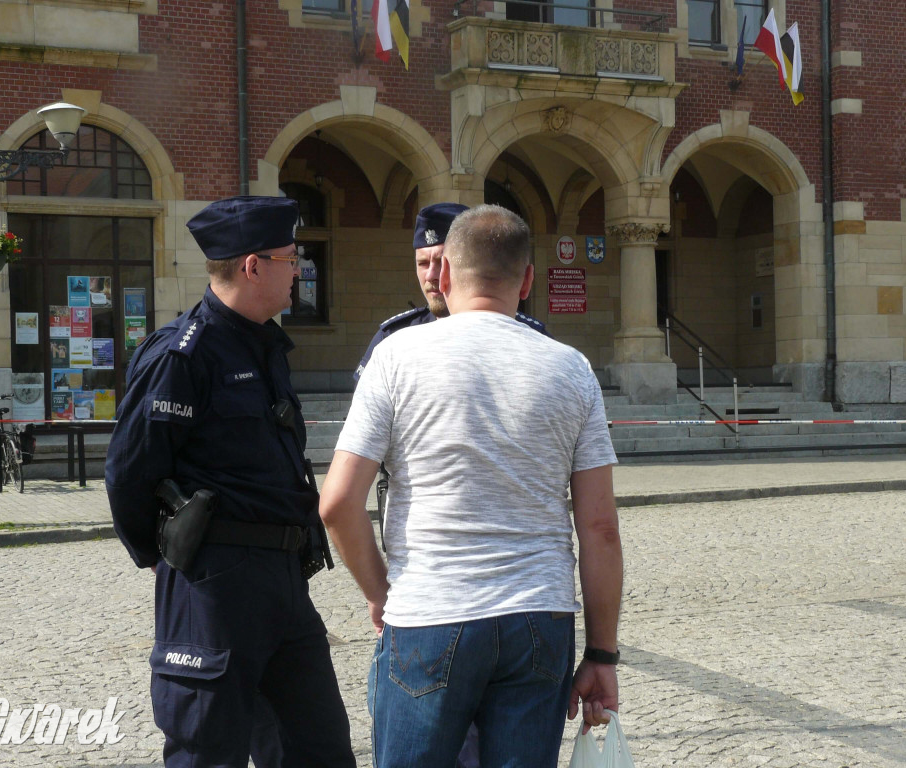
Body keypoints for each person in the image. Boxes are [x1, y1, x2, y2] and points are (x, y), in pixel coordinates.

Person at [320, 204, 623, 767]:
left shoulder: (395, 357)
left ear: (448, 274)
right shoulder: (571, 368)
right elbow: (600, 528)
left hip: (430, 610)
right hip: (539, 616)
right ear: (527, 280)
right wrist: (602, 651)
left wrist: (379, 592)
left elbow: (338, 502)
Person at [105, 196, 356, 768]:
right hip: (215, 584)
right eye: (291, 258)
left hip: (285, 582)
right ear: (252, 265)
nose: (300, 269)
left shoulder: (265, 344)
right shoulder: (183, 354)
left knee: (318, 748)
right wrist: (166, 557)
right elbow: (128, 470)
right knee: (208, 749)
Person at [354, 202, 546, 383]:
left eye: (440, 262)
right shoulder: (392, 337)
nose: (431, 275)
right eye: (423, 263)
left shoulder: (532, 337)